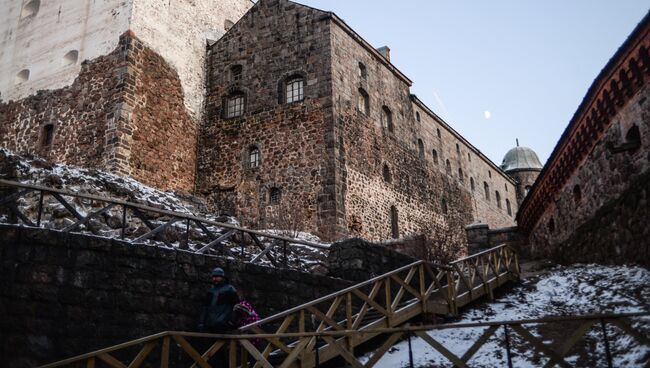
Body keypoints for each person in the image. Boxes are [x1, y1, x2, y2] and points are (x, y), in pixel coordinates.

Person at [199, 267, 239, 334]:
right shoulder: (211, 291)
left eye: (217, 277)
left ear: (222, 277)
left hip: (223, 324)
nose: (214, 279)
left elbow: (236, 306)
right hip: (210, 324)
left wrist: (231, 321)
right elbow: (205, 307)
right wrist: (201, 322)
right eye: (213, 277)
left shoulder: (230, 289)